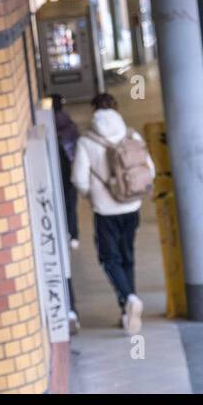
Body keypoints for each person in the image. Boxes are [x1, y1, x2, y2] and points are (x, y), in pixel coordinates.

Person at [71, 92, 155, 334]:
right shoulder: (131, 135)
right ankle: (127, 310)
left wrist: (92, 195)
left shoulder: (86, 142)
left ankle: (129, 298)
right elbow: (150, 169)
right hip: (132, 206)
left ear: (94, 111)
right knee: (127, 256)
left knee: (109, 259)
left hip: (105, 212)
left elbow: (78, 179)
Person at [51, 94, 82, 333]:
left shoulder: (48, 133)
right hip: (69, 182)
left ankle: (69, 311)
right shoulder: (69, 127)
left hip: (52, 197)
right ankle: (75, 236)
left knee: (59, 260)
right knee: (71, 209)